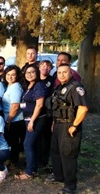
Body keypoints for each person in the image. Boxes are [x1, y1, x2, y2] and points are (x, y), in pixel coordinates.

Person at [45, 64, 88, 194]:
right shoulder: (59, 87)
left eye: (65, 72)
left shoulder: (76, 87)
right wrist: (54, 122)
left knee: (68, 155)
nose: (62, 75)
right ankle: (58, 176)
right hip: (58, 124)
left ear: (71, 73)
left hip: (69, 125)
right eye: (59, 73)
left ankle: (70, 185)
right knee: (55, 152)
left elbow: (83, 108)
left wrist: (74, 125)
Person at [15, 65, 48, 180]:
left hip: (36, 120)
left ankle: (28, 173)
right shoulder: (28, 85)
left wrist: (32, 121)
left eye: (32, 72)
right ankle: (33, 169)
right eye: (27, 72)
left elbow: (39, 105)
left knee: (27, 144)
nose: (30, 74)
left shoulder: (39, 85)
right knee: (34, 144)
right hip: (28, 119)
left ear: (37, 73)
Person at [1, 65, 26, 165]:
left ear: (17, 76)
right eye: (8, 74)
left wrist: (8, 120)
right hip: (11, 118)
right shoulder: (9, 86)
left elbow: (15, 106)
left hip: (15, 119)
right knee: (12, 141)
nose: (10, 77)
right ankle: (12, 159)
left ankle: (14, 161)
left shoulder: (16, 87)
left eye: (13, 75)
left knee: (13, 142)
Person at [38, 60, 55, 168]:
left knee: (45, 139)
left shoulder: (53, 81)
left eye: (48, 66)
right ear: (39, 68)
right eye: (43, 66)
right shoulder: (35, 79)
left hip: (47, 114)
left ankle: (43, 162)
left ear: (51, 69)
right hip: (34, 113)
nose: (45, 68)